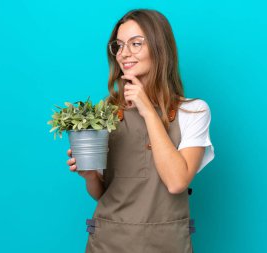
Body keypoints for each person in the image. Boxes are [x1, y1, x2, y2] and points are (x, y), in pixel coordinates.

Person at [66, 9, 215, 253]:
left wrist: (147, 110)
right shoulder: (105, 112)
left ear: (159, 47)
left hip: (167, 244)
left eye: (136, 44)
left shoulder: (194, 111)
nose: (124, 53)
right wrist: (90, 176)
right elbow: (102, 193)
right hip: (107, 243)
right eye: (119, 45)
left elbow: (177, 182)